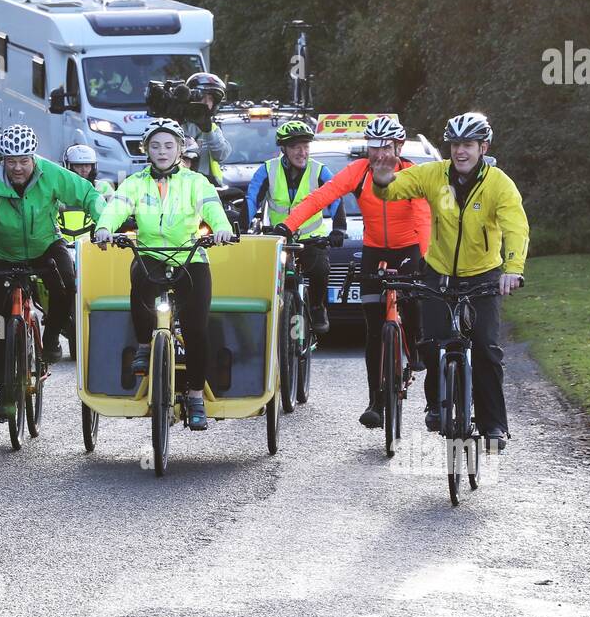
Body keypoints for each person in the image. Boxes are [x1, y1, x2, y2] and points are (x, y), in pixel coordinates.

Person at [368, 111, 528, 449]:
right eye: (455, 144)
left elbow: (516, 227)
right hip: (439, 271)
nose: (460, 151)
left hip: (483, 274)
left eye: (468, 145)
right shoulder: (433, 175)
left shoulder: (499, 183)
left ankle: (494, 424)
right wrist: (382, 180)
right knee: (432, 342)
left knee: (486, 348)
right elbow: (395, 190)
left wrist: (513, 269)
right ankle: (437, 406)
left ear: (483, 147)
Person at [275, 116, 431, 426]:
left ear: (398, 147)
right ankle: (376, 401)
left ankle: (414, 346)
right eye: (373, 147)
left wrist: (423, 255)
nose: (378, 154)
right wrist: (288, 225)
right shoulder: (358, 173)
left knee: (413, 301)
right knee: (374, 329)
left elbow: (423, 216)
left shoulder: (413, 175)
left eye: (385, 147)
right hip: (374, 249)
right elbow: (321, 197)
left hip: (409, 246)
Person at [93, 118, 235, 431]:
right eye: (155, 146)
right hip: (150, 255)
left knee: (197, 328)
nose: (162, 151)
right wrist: (104, 228)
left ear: (180, 149)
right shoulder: (135, 181)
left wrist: (222, 229)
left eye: (169, 146)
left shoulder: (195, 182)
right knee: (139, 280)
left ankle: (196, 396)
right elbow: (117, 205)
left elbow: (212, 208)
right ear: (146, 150)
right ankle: (144, 345)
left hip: (190, 256)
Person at [0, 124, 107, 421]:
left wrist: (103, 223)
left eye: (24, 160)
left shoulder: (50, 174)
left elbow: (88, 194)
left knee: (68, 284)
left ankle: (52, 335)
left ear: (33, 158)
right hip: (5, 255)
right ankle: (4, 391)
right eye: (11, 161)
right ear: (2, 159)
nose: (18, 168)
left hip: (47, 246)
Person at [247, 120, 346, 334]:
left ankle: (318, 307)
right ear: (283, 149)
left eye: (306, 146)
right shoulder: (268, 170)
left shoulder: (319, 171)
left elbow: (337, 198)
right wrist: (244, 231)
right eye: (295, 147)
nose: (302, 152)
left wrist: (339, 229)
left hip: (311, 238)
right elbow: (251, 198)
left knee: (320, 269)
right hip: (278, 239)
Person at [180, 72, 231, 186]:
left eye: (211, 98)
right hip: (180, 187)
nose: (206, 102)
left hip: (206, 188)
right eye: (202, 96)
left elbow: (221, 155)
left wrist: (208, 132)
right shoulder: (177, 125)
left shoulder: (213, 128)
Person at [57, 144, 114, 243]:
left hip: (94, 242)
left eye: (87, 165)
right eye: (78, 166)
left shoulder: (104, 187)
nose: (83, 170)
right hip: (61, 241)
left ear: (93, 166)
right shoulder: (57, 189)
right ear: (67, 166)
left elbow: (115, 210)